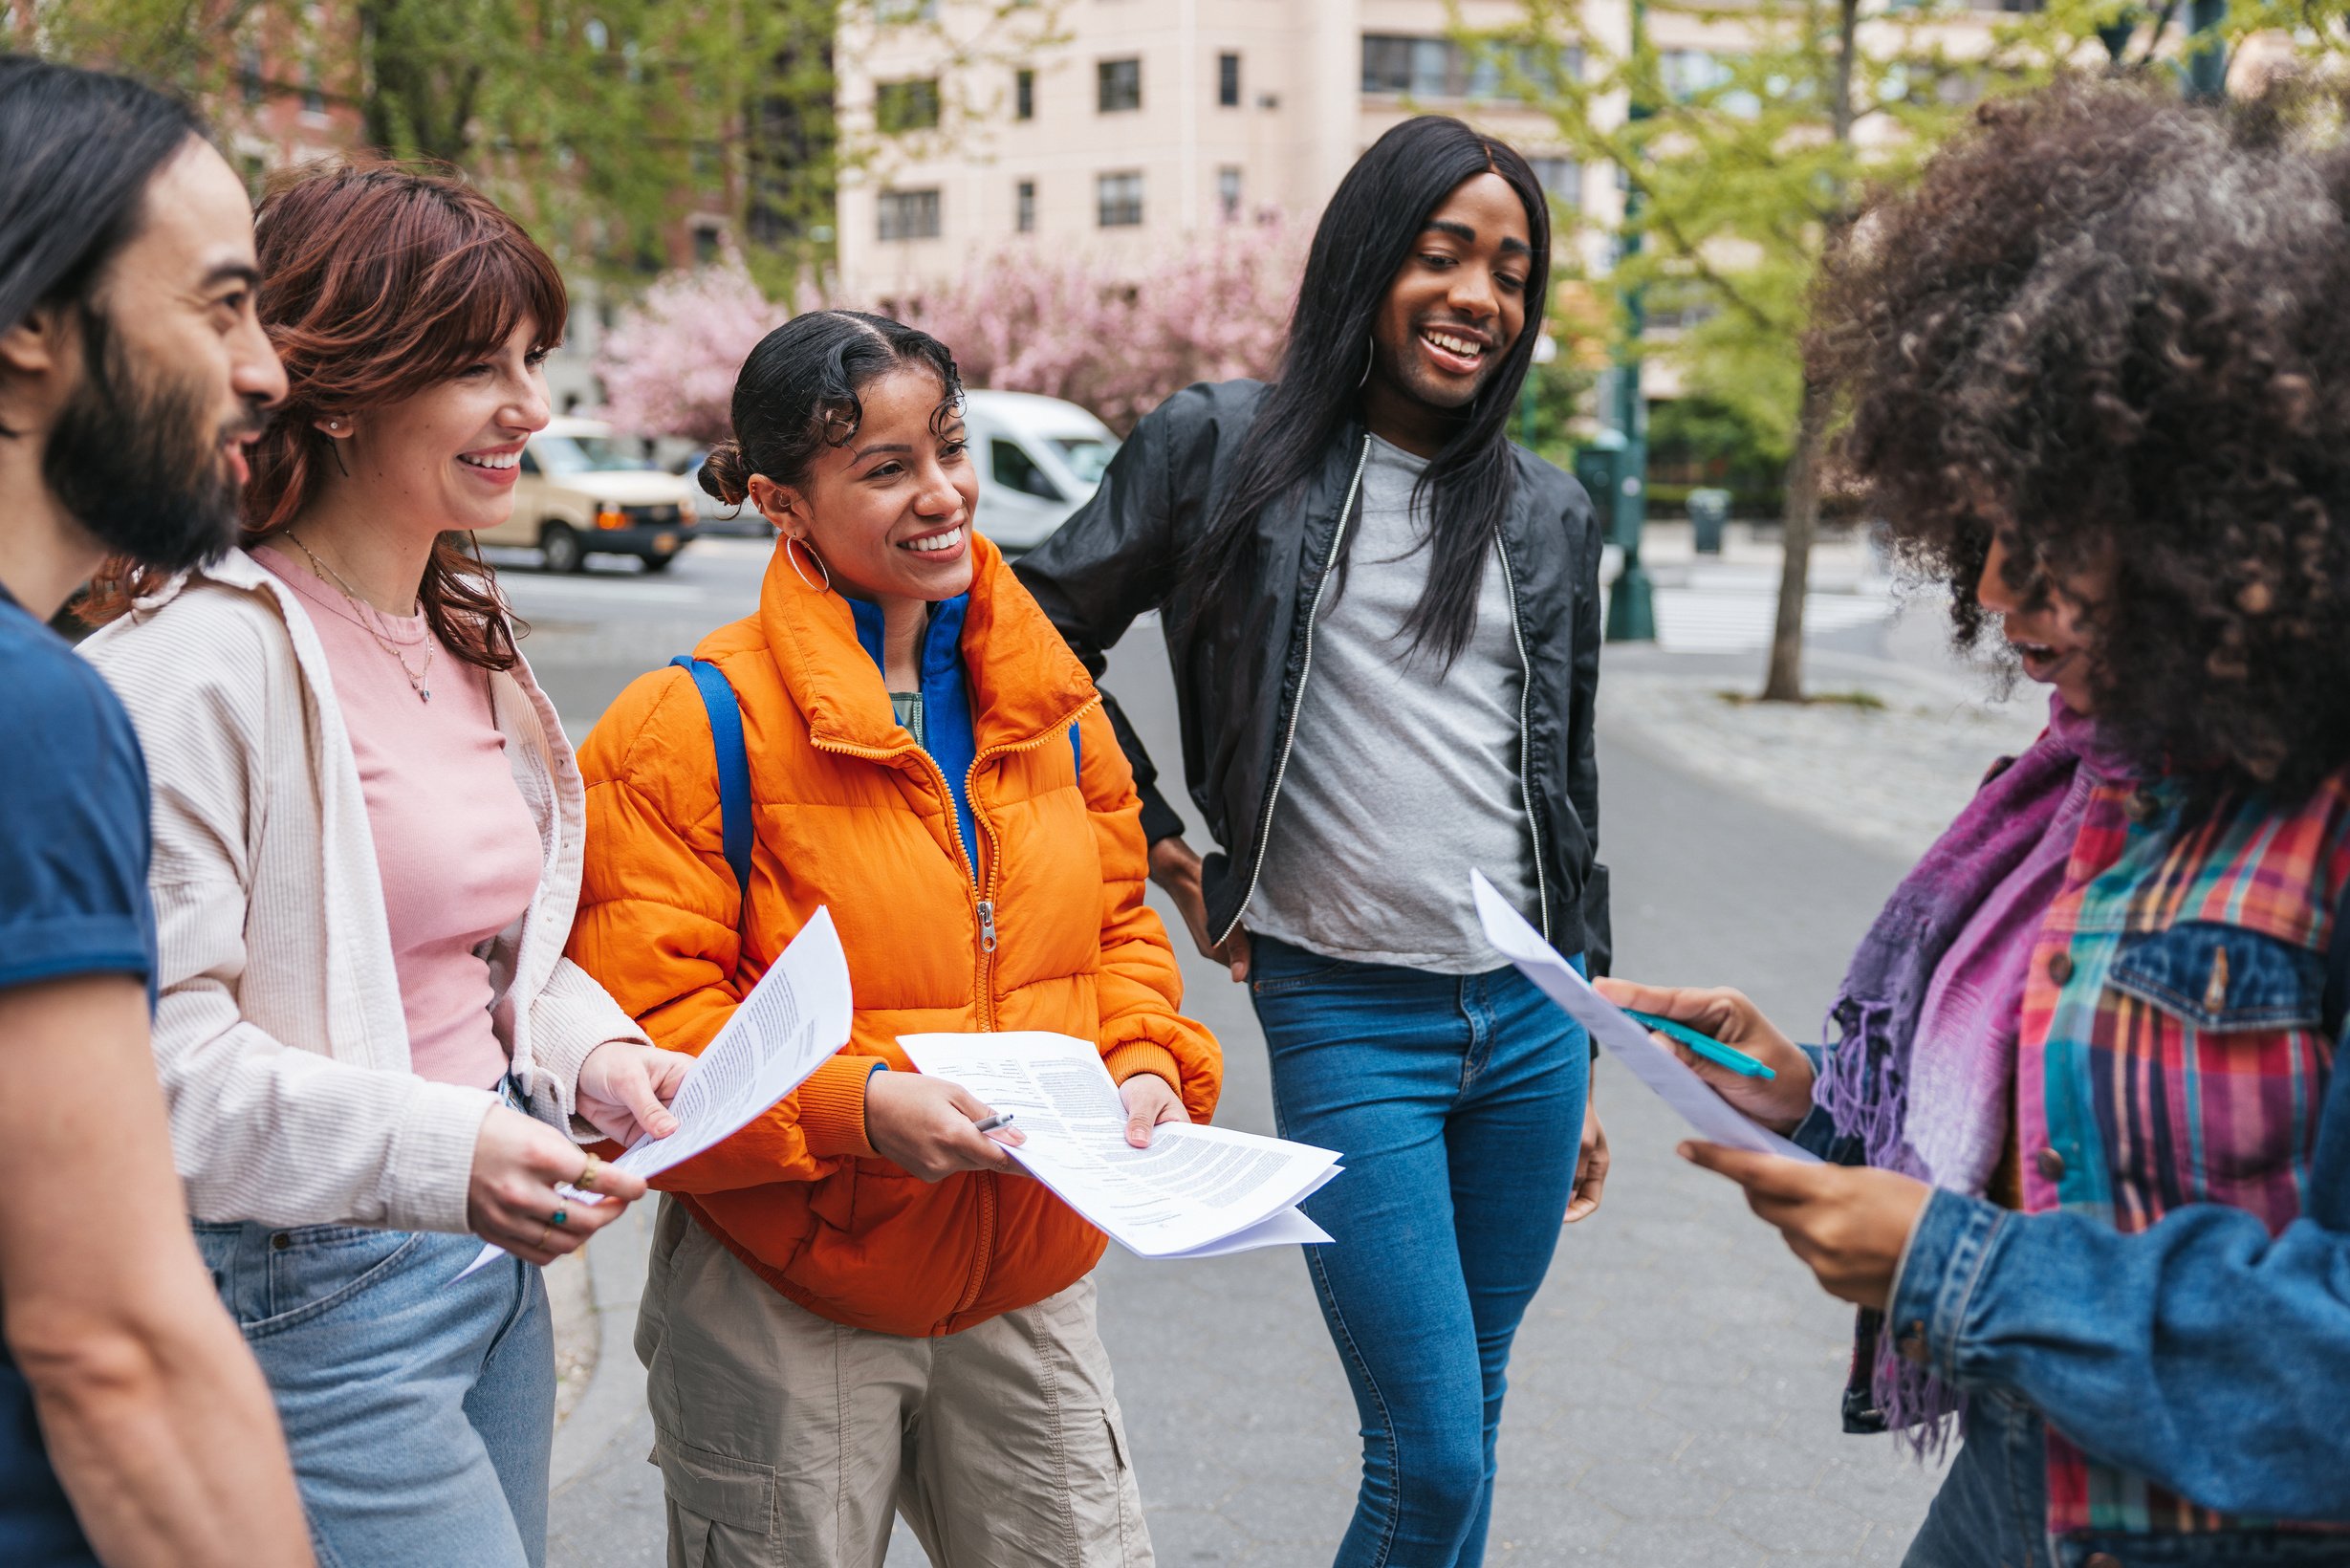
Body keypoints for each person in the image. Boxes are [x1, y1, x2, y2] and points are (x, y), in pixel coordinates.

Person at [1599, 79, 2350, 1566]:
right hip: (2021, 1489)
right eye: (1977, 526)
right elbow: (2058, 1160)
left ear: (2232, 521)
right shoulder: (2096, 786)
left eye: (2051, 535)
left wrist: (1948, 1268)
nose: (1995, 592)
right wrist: (1807, 1104)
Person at [77, 161, 694, 1568]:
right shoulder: (192, 662)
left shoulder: (461, 631)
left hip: (487, 1269)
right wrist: (445, 1152)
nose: (532, 410)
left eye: (531, 361)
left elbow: (478, 952)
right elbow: (148, 1070)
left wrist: (594, 1054)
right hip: (312, 1288)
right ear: (343, 384)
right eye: (478, 368)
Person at [1015, 115, 1609, 1568]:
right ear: (1367, 261)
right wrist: (1160, 839)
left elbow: (1564, 800)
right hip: (1349, 1011)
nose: (1479, 295)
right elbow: (1031, 635)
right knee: (1435, 1451)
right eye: (1442, 253)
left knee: (1468, 1413)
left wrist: (1591, 1039)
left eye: (1511, 272)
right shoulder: (1220, 451)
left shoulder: (1543, 512)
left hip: (1529, 1022)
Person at [567, 309, 1221, 1568]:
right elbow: (658, 1032)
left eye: (949, 449)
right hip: (786, 1284)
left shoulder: (1054, 704)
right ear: (779, 502)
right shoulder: (682, 725)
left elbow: (1117, 929)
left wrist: (1145, 1060)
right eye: (884, 469)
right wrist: (865, 1109)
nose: (942, 496)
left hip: (1024, 1273)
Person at [0, 57, 314, 1568]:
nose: (265, 369)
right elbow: (108, 1340)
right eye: (219, 305)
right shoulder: (34, 716)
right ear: (30, 322)